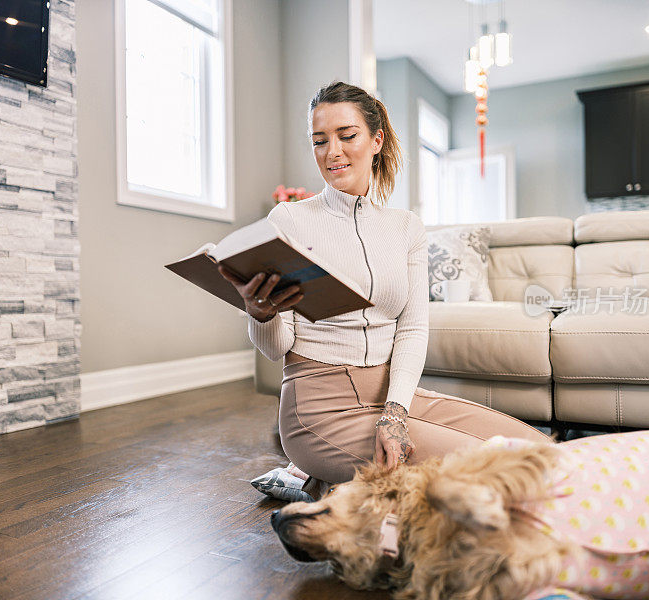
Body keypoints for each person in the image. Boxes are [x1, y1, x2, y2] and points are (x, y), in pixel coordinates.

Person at [218, 81, 551, 498]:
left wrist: (395, 412)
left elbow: (411, 329)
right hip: (320, 406)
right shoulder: (289, 219)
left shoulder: (405, 227)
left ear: (376, 140)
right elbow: (275, 348)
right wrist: (260, 313)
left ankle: (328, 485)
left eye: (347, 136)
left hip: (392, 393)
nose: (332, 152)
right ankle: (319, 471)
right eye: (319, 140)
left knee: (540, 450)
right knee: (497, 471)